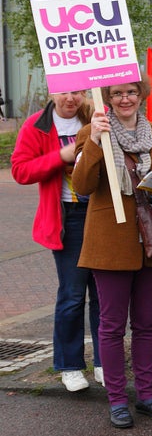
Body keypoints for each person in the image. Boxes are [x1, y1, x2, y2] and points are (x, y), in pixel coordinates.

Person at [72, 76, 152, 429]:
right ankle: (118, 399)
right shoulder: (93, 132)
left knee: (146, 324)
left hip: (151, 242)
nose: (124, 99)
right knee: (111, 326)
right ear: (106, 97)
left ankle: (146, 395)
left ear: (141, 95)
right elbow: (83, 186)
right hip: (110, 241)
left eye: (131, 92)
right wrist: (92, 141)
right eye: (117, 93)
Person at [12, 90, 102, 392]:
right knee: (73, 295)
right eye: (65, 91)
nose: (71, 98)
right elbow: (20, 171)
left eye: (77, 92)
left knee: (104, 294)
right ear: (53, 89)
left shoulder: (95, 116)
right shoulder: (37, 125)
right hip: (69, 217)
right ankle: (70, 366)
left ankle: (104, 363)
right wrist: (60, 157)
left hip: (101, 212)